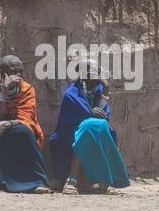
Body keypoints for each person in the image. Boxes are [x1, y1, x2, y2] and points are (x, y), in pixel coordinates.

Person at [49, 59, 130, 195]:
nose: (97, 75)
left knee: (100, 125)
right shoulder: (71, 94)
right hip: (70, 135)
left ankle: (102, 182)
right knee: (88, 127)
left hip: (95, 131)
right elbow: (72, 121)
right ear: (83, 74)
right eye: (93, 72)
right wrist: (89, 113)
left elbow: (103, 115)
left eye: (98, 71)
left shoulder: (98, 90)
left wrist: (106, 89)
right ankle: (72, 180)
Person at [0, 55, 49, 193]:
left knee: (25, 131)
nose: (18, 75)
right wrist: (3, 92)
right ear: (2, 71)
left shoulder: (27, 89)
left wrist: (8, 124)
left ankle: (38, 182)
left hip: (17, 125)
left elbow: (27, 117)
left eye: (20, 71)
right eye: (14, 71)